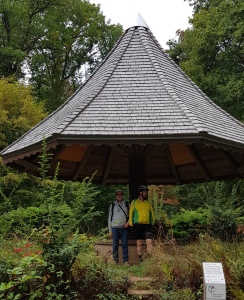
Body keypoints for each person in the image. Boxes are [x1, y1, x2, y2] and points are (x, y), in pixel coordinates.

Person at [129, 185, 155, 262]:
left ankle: (150, 259)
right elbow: (131, 213)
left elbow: (152, 213)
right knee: (139, 242)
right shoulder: (134, 202)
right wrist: (131, 223)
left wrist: (153, 221)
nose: (146, 193)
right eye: (145, 192)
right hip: (138, 225)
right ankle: (141, 259)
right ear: (140, 192)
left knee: (149, 241)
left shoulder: (148, 203)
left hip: (147, 225)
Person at [108, 189, 130, 264]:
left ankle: (126, 261)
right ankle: (115, 260)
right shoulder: (112, 205)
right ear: (116, 196)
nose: (119, 196)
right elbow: (109, 218)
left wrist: (128, 223)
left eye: (120, 194)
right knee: (115, 245)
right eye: (117, 194)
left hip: (124, 228)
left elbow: (131, 215)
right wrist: (110, 230)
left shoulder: (127, 204)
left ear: (123, 195)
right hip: (114, 228)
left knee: (124, 244)